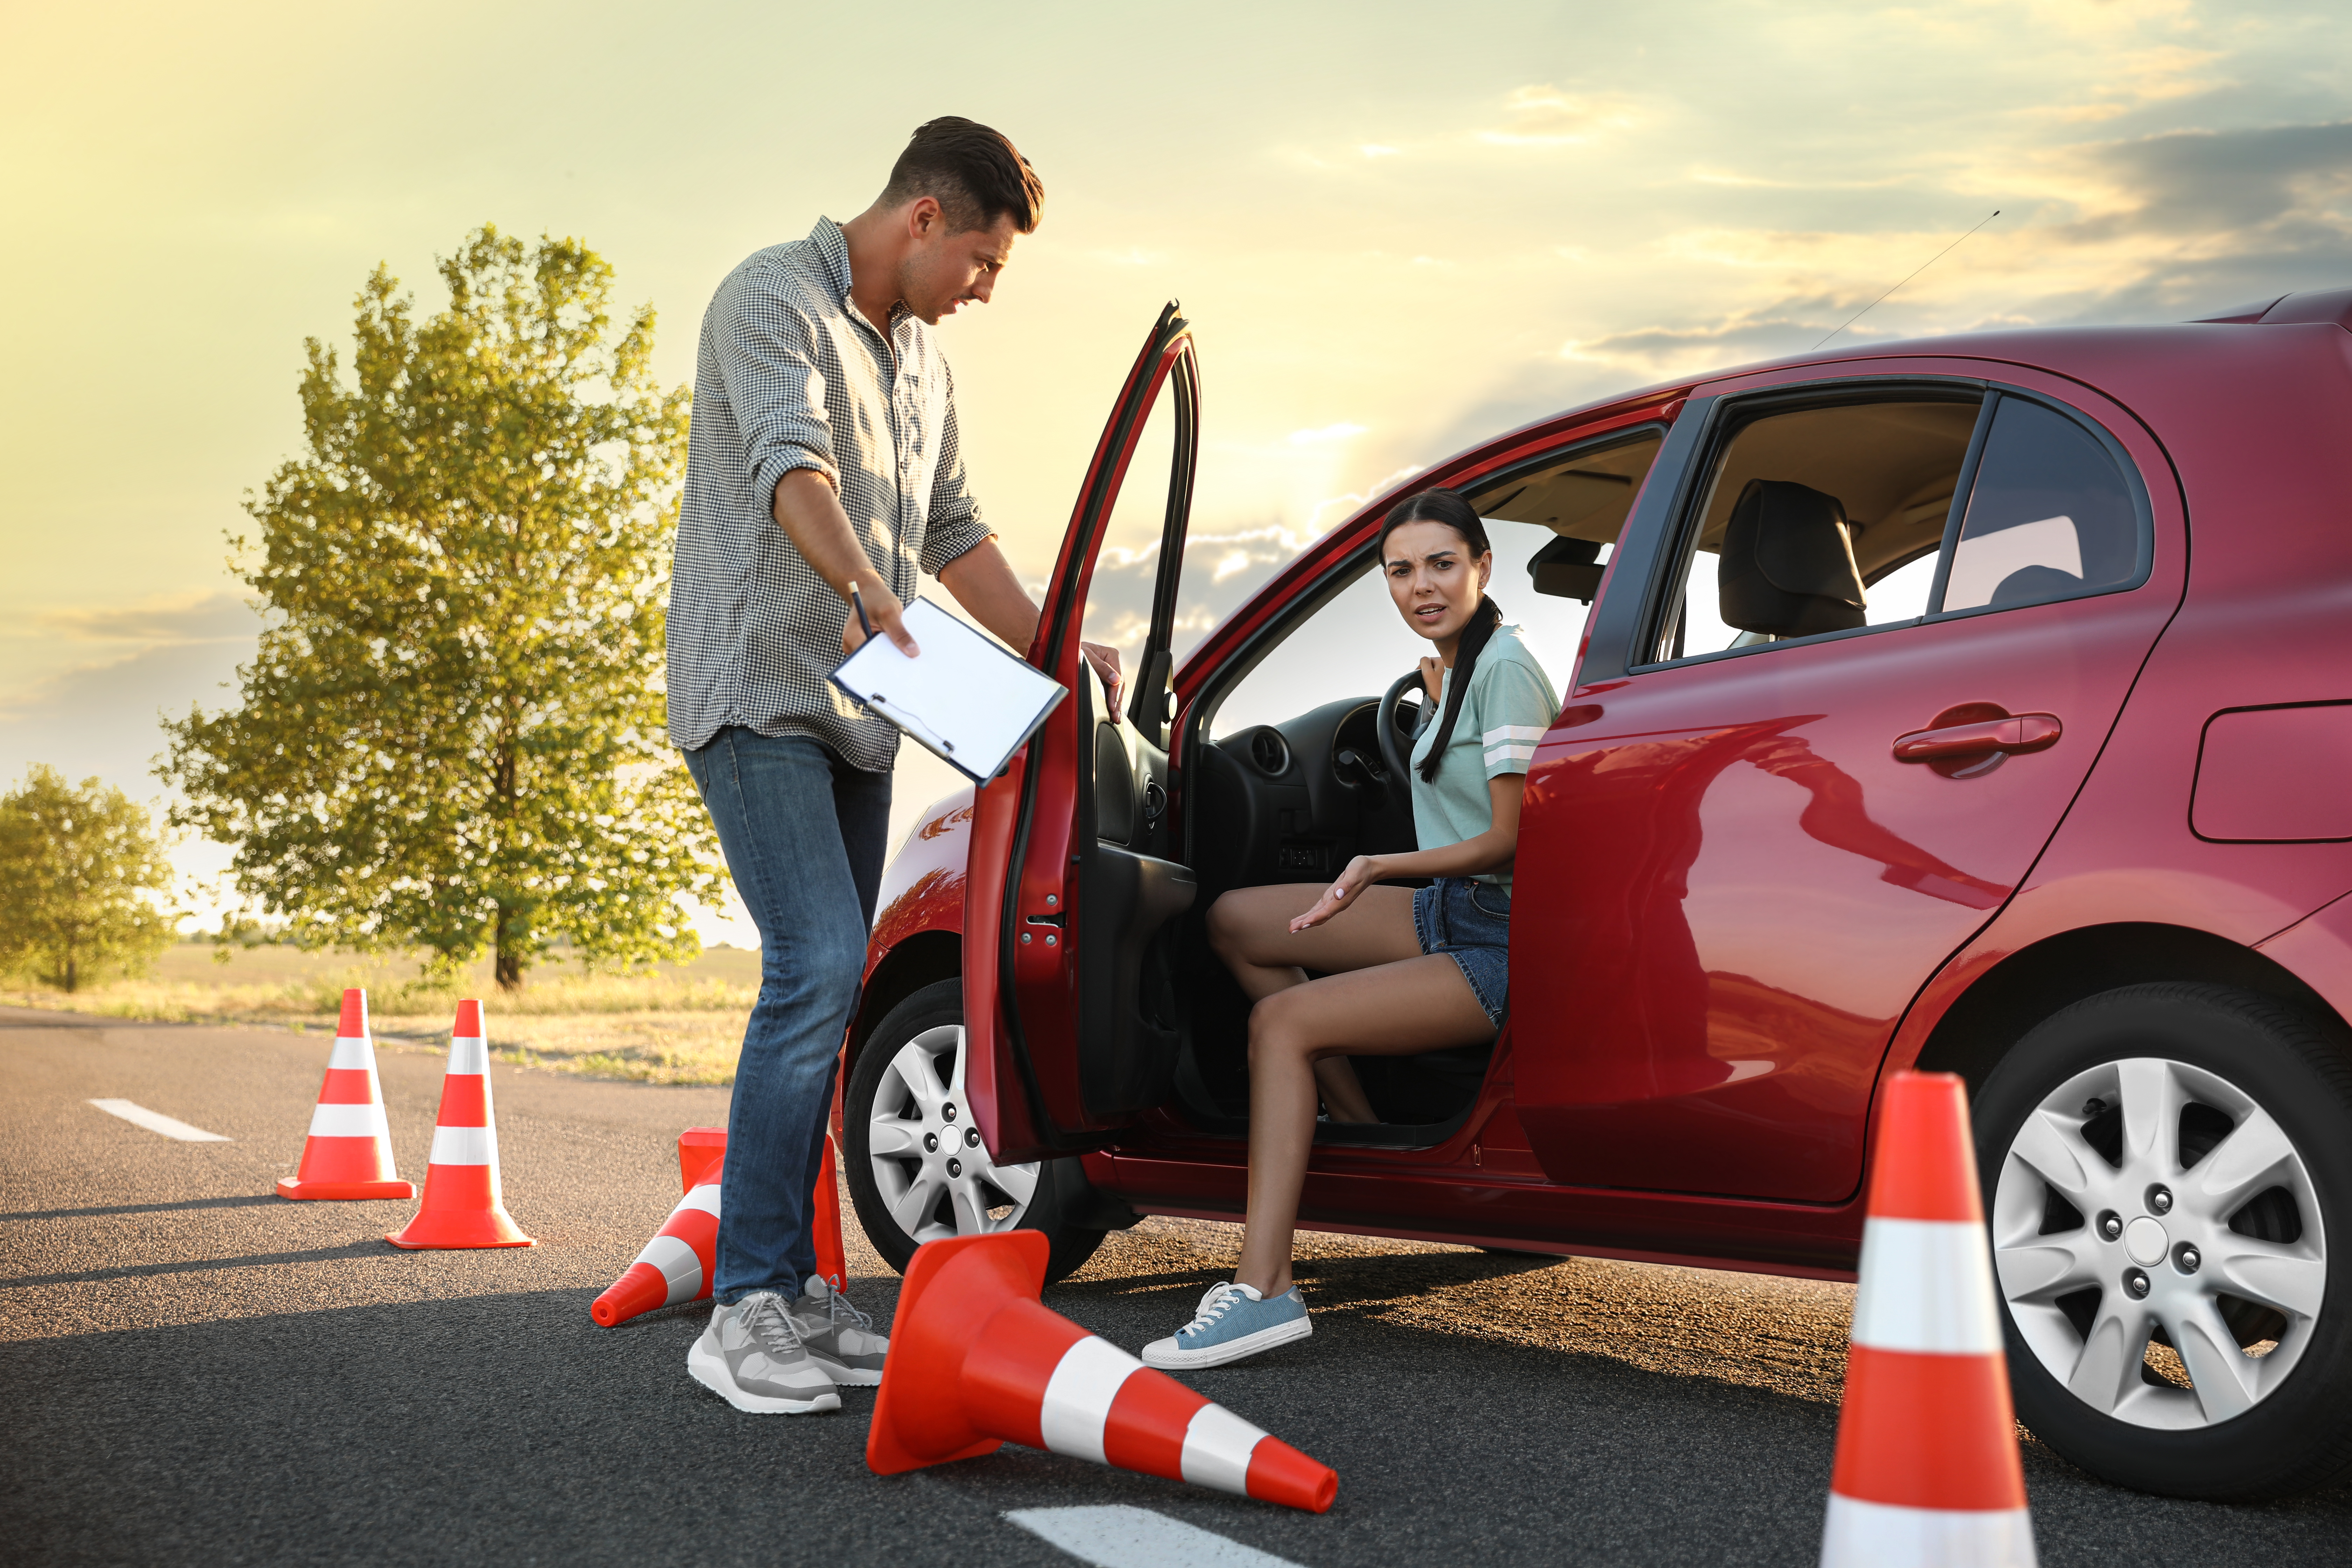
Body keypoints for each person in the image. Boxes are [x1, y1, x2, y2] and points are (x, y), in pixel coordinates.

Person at [666, 117, 1121, 1414]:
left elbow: (955, 526)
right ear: (925, 218)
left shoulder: (923, 363)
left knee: (827, 986)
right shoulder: (772, 297)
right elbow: (787, 470)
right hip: (755, 691)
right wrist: (868, 587)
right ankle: (744, 1307)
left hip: (865, 712)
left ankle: (801, 1293)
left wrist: (1057, 657)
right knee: (811, 969)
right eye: (982, 263)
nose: (983, 290)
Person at [1142, 488, 1558, 1370]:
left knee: (1279, 1023)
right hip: (1447, 908)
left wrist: (1377, 865)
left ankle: (1264, 1290)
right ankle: (1356, 1125)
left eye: (1443, 564)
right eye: (1401, 571)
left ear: (1483, 565)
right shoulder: (1449, 668)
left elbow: (1513, 840)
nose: (1423, 586)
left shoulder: (1507, 668)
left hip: (1500, 936)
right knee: (1238, 920)